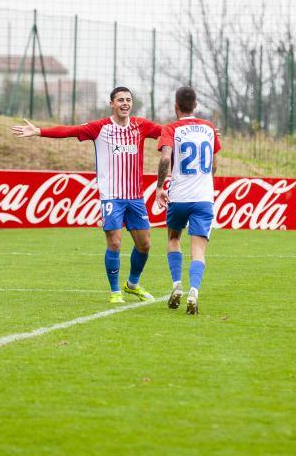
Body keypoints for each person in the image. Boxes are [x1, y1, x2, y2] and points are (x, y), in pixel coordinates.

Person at [12, 87, 163, 304]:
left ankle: (132, 284)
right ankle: (115, 293)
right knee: (114, 243)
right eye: (120, 100)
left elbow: (167, 132)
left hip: (135, 197)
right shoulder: (99, 128)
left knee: (145, 245)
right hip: (111, 196)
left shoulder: (141, 126)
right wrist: (39, 131)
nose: (125, 103)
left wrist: (200, 131)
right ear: (111, 103)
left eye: (128, 100)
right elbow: (69, 130)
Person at [155, 86, 221, 315]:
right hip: (203, 198)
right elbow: (213, 164)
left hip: (179, 197)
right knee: (199, 248)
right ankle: (194, 291)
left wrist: (159, 187)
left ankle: (176, 285)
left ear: (176, 106)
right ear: (196, 105)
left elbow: (165, 159)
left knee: (174, 238)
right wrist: (206, 182)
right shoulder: (210, 128)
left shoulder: (171, 128)